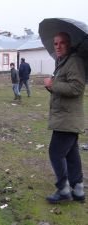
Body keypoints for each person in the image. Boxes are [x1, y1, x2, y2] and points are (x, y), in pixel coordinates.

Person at [44, 32, 86, 203]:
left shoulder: (74, 61)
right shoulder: (63, 62)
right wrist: (52, 87)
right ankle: (78, 190)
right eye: (56, 43)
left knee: (55, 152)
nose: (58, 46)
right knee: (71, 154)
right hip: (65, 117)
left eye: (62, 43)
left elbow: (77, 88)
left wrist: (53, 85)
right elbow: (64, 87)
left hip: (67, 118)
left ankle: (63, 189)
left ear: (69, 44)